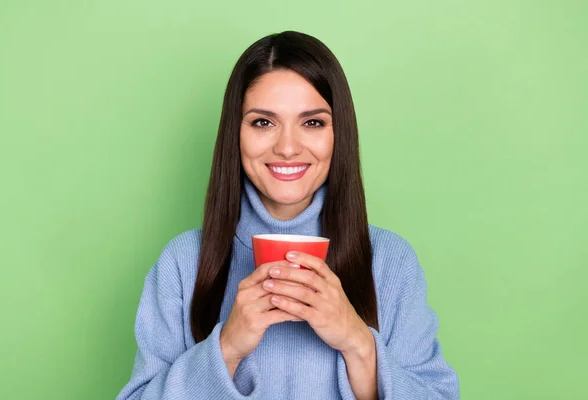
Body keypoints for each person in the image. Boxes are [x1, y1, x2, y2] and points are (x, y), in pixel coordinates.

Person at [117, 31, 459, 400]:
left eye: (312, 122)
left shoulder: (392, 262)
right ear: (236, 133)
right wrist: (226, 348)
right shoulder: (183, 264)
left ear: (338, 133)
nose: (287, 147)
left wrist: (358, 343)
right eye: (263, 122)